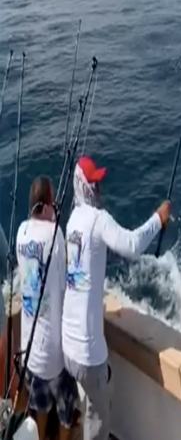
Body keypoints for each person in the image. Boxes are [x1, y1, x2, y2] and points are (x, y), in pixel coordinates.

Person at [62, 156, 171, 440]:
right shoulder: (98, 219)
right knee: (99, 419)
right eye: (93, 183)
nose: (98, 189)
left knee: (89, 404)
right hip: (87, 352)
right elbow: (132, 246)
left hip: (67, 344)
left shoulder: (72, 221)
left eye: (99, 182)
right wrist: (158, 219)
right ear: (83, 186)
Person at [16, 176, 79, 440]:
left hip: (29, 357)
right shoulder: (56, 234)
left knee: (40, 410)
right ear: (43, 207)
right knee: (67, 412)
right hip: (54, 358)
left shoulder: (21, 232)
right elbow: (66, 284)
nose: (56, 209)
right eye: (53, 204)